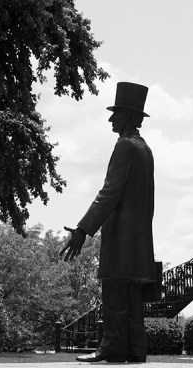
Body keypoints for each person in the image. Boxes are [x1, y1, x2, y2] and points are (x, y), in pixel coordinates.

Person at [60, 82, 156, 363]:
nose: (111, 119)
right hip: (138, 239)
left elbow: (110, 192)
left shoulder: (125, 145)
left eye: (115, 114)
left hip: (121, 237)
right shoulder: (145, 149)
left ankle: (112, 347)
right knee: (132, 299)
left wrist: (83, 229)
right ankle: (136, 350)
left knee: (114, 294)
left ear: (127, 116)